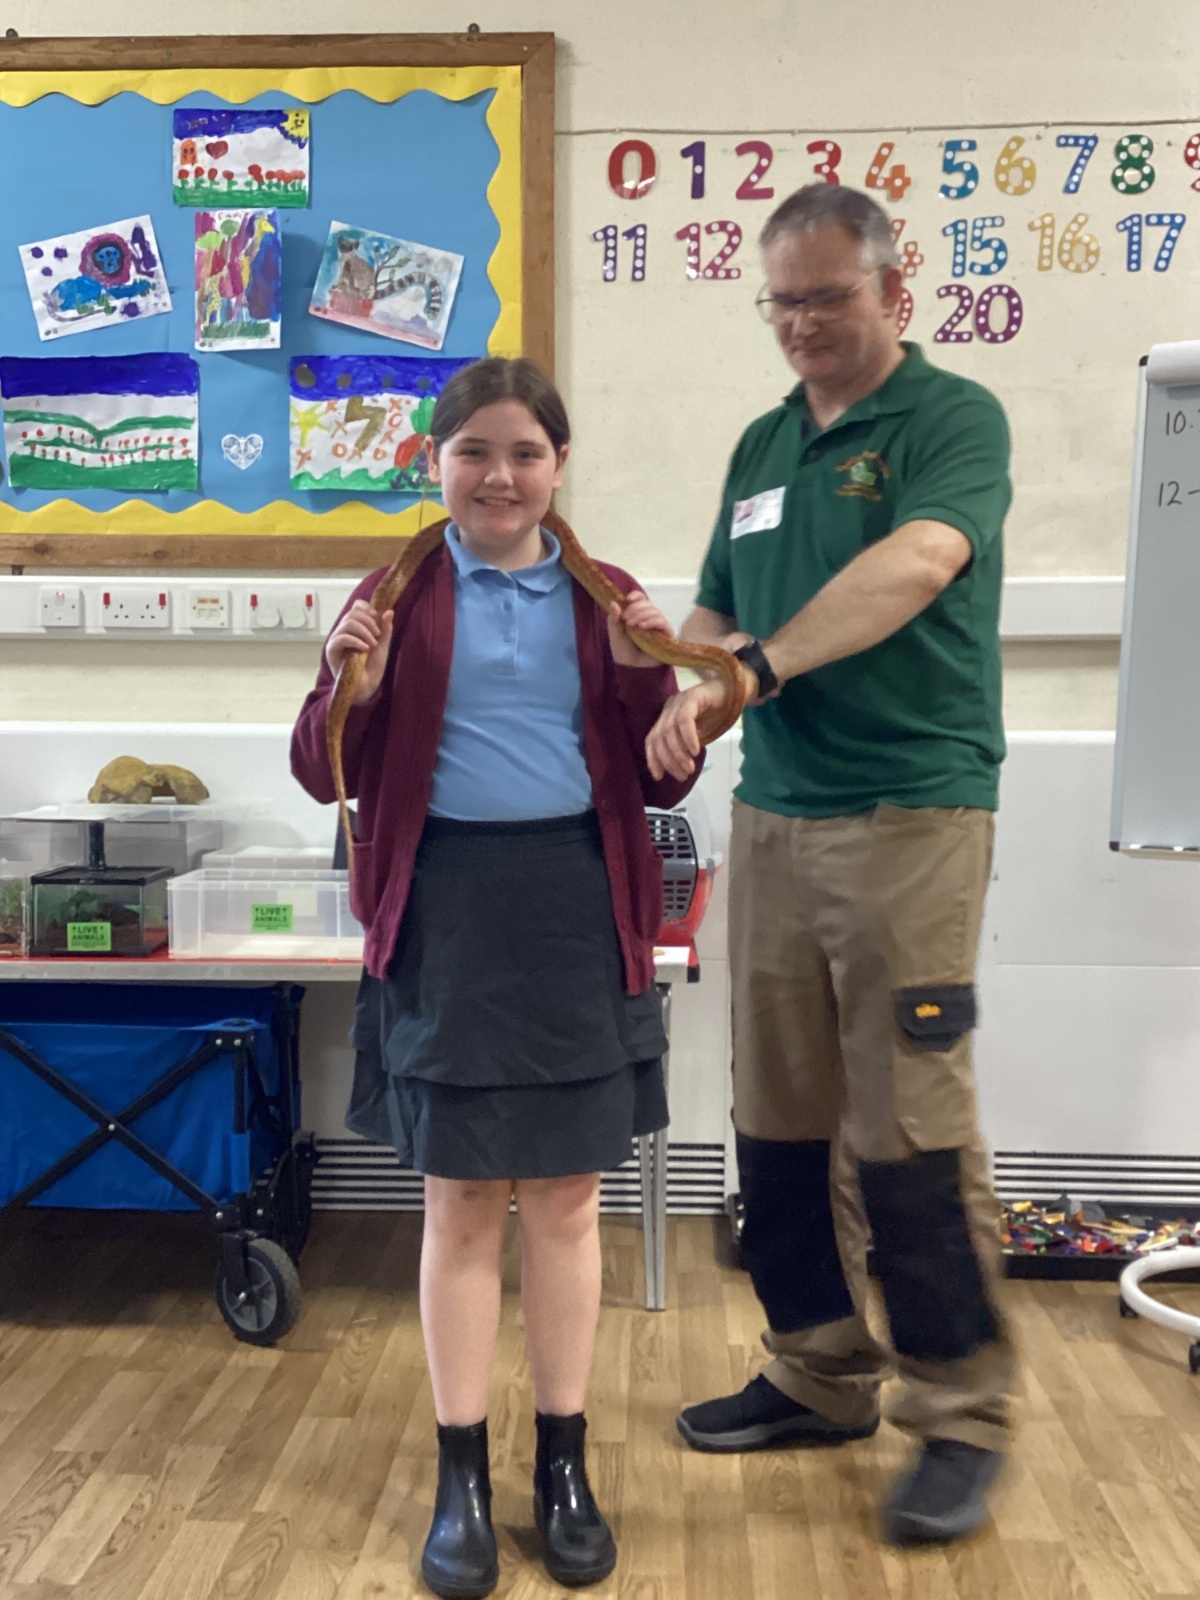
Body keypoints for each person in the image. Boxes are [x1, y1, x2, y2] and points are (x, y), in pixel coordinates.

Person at [292, 357, 698, 1599]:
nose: (500, 476)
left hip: (578, 902)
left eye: (525, 452)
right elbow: (318, 768)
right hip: (447, 911)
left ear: (559, 466)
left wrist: (657, 682)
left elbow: (664, 771)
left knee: (568, 1198)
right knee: (462, 1198)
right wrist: (345, 682)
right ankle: (459, 1473)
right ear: (436, 464)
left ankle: (562, 1464)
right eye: (473, 451)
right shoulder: (393, 594)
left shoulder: (605, 593)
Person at [645, 183, 1015, 1547]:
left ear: (893, 290)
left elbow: (919, 562)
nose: (800, 323)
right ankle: (817, 1371)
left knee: (908, 1124)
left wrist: (755, 667)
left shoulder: (951, 420)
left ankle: (960, 1413)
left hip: (913, 812)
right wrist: (681, 684)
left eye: (826, 298)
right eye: (781, 302)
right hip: (777, 813)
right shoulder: (762, 442)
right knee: (780, 1118)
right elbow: (716, 606)